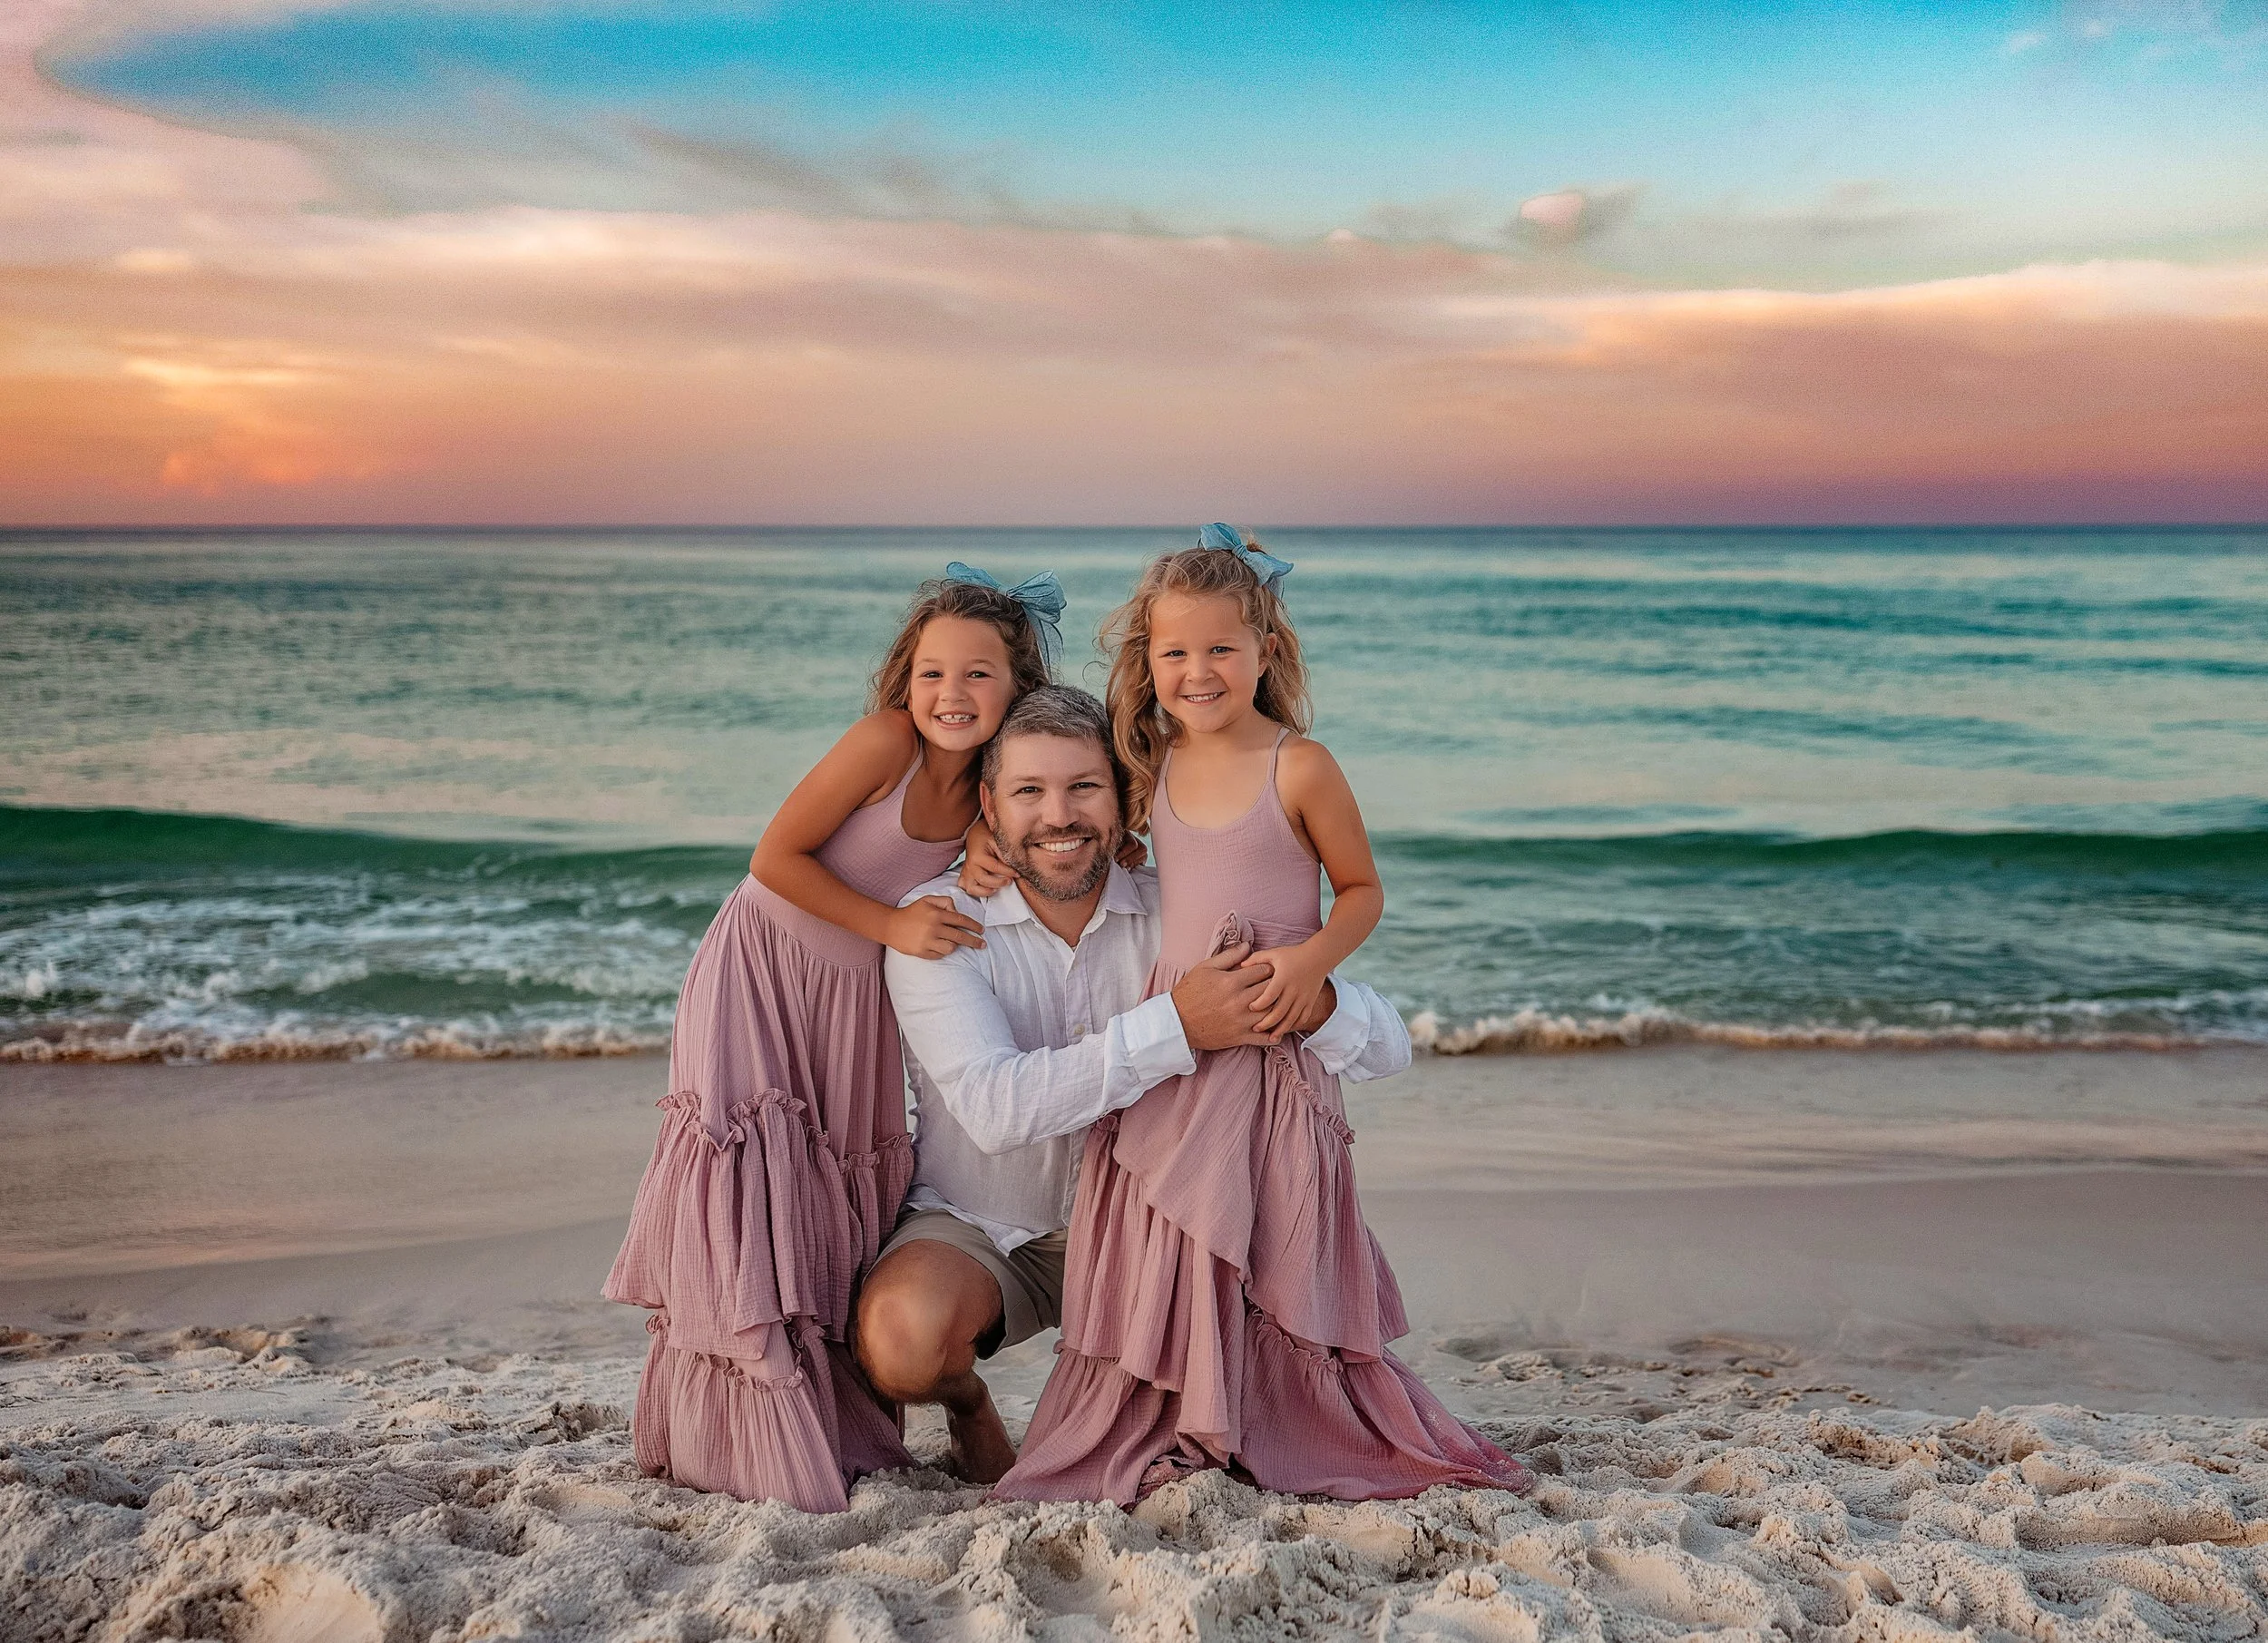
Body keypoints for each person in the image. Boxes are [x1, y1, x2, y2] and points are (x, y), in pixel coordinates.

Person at [993, 526, 1535, 1505]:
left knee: (1271, 1230)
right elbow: (1068, 824)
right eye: (1173, 652)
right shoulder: (1147, 757)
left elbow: (1361, 889)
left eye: (1220, 649)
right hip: (1180, 1035)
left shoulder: (1300, 764)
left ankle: (1280, 1415)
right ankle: (1185, 1411)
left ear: (1265, 650)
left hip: (1273, 1050)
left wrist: (1313, 961)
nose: (1197, 671)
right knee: (1175, 1229)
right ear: (1146, 661)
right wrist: (993, 860)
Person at [860, 683, 1414, 1484]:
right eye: (1028, 791)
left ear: (1124, 800)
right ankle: (971, 1407)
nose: (1058, 816)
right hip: (983, 1221)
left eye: (1084, 786)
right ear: (989, 803)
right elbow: (994, 1107)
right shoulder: (937, 920)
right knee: (902, 1345)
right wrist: (1178, 1026)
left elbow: (1388, 1049)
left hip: (1152, 1229)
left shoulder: (1176, 910)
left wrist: (1311, 997)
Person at [601, 564, 1061, 1512]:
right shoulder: (883, 741)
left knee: (827, 1199)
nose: (952, 695)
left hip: (853, 1011)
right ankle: (730, 1436)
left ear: (1016, 687)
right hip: (762, 975)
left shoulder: (989, 786)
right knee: (752, 1191)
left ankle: (825, 1425)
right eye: (934, 673)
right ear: (906, 677)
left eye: (979, 675)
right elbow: (774, 859)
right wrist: (891, 923)